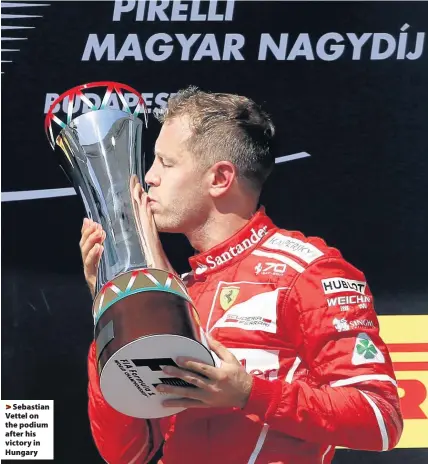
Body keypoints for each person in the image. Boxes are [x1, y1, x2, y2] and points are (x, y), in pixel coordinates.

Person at [80, 87, 403, 464]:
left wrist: (251, 394)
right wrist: (112, 309)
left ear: (219, 178)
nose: (148, 177)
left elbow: (382, 419)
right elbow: (127, 454)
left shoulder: (307, 271)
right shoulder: (177, 292)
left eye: (165, 163)